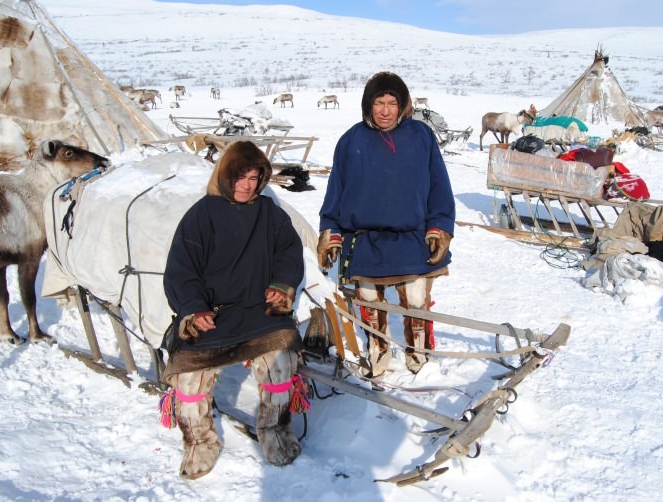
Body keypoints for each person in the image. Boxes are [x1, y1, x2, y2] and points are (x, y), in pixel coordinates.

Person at [161, 140, 305, 480]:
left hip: (259, 312)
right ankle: (199, 442)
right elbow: (181, 269)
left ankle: (275, 432)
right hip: (213, 314)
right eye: (240, 177)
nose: (247, 185)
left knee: (281, 363)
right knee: (188, 377)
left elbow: (289, 252)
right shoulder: (201, 214)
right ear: (225, 176)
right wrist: (194, 309)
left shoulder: (270, 213)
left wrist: (283, 285)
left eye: (254, 178)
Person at [318, 71, 455, 378]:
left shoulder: (420, 136)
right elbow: (336, 191)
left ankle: (417, 350)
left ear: (402, 105)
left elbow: (439, 186)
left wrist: (440, 227)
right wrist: (330, 232)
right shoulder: (351, 139)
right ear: (369, 104)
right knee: (370, 304)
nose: (385, 110)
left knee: (416, 301)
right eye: (379, 102)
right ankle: (377, 350)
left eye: (392, 103)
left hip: (413, 238)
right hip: (364, 241)